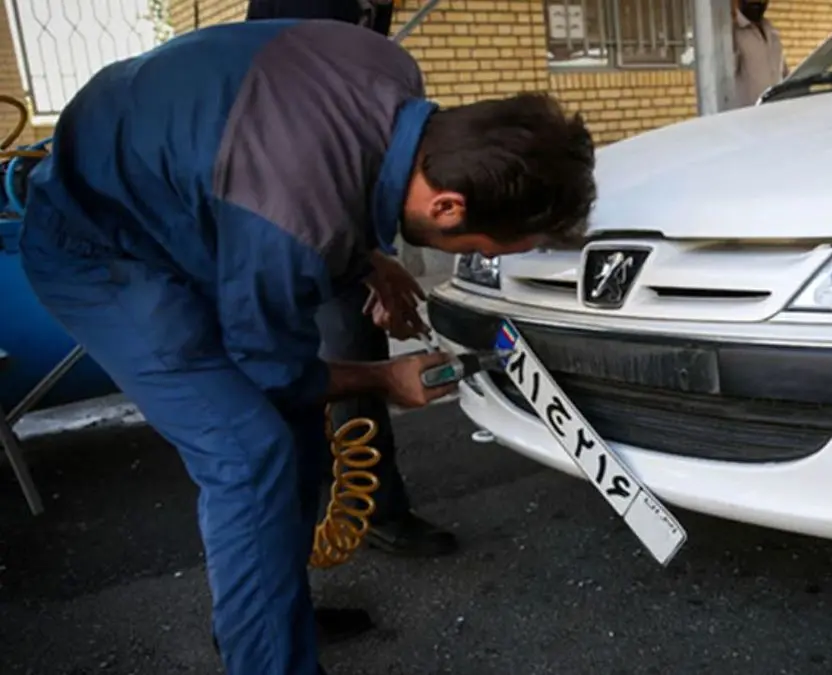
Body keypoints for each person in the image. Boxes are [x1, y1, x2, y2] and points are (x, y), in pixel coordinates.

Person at [17, 17, 595, 675]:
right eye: (493, 249)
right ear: (448, 208)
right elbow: (274, 366)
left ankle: (265, 613)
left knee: (294, 432)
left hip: (184, 192)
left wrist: (369, 258)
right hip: (100, 245)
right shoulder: (292, 228)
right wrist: (385, 380)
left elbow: (311, 160)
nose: (488, 256)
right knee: (245, 449)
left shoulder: (389, 68)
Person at [246, 0, 461, 563]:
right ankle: (299, 540)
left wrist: (368, 257)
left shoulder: (372, 17)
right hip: (272, 216)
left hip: (323, 212)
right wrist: (359, 256)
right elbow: (297, 142)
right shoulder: (305, 9)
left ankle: (370, 509)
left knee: (353, 348)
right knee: (279, 389)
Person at [732, 0, 788, 108]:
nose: (757, 2)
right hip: (749, 114)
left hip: (777, 109)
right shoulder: (733, 33)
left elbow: (783, 72)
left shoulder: (771, 31)